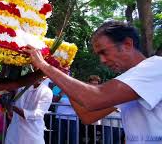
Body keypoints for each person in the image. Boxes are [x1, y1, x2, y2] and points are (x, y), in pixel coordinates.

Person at [24, 20, 162, 143]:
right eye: (99, 55)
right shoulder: (131, 81)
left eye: (104, 52)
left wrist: (44, 66)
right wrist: (62, 75)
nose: (102, 60)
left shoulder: (155, 67)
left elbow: (94, 98)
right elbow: (87, 116)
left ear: (127, 44)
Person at [4, 79, 53, 144]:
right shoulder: (21, 87)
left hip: (32, 137)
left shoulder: (46, 91)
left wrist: (14, 108)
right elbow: (9, 103)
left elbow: (37, 115)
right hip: (14, 135)